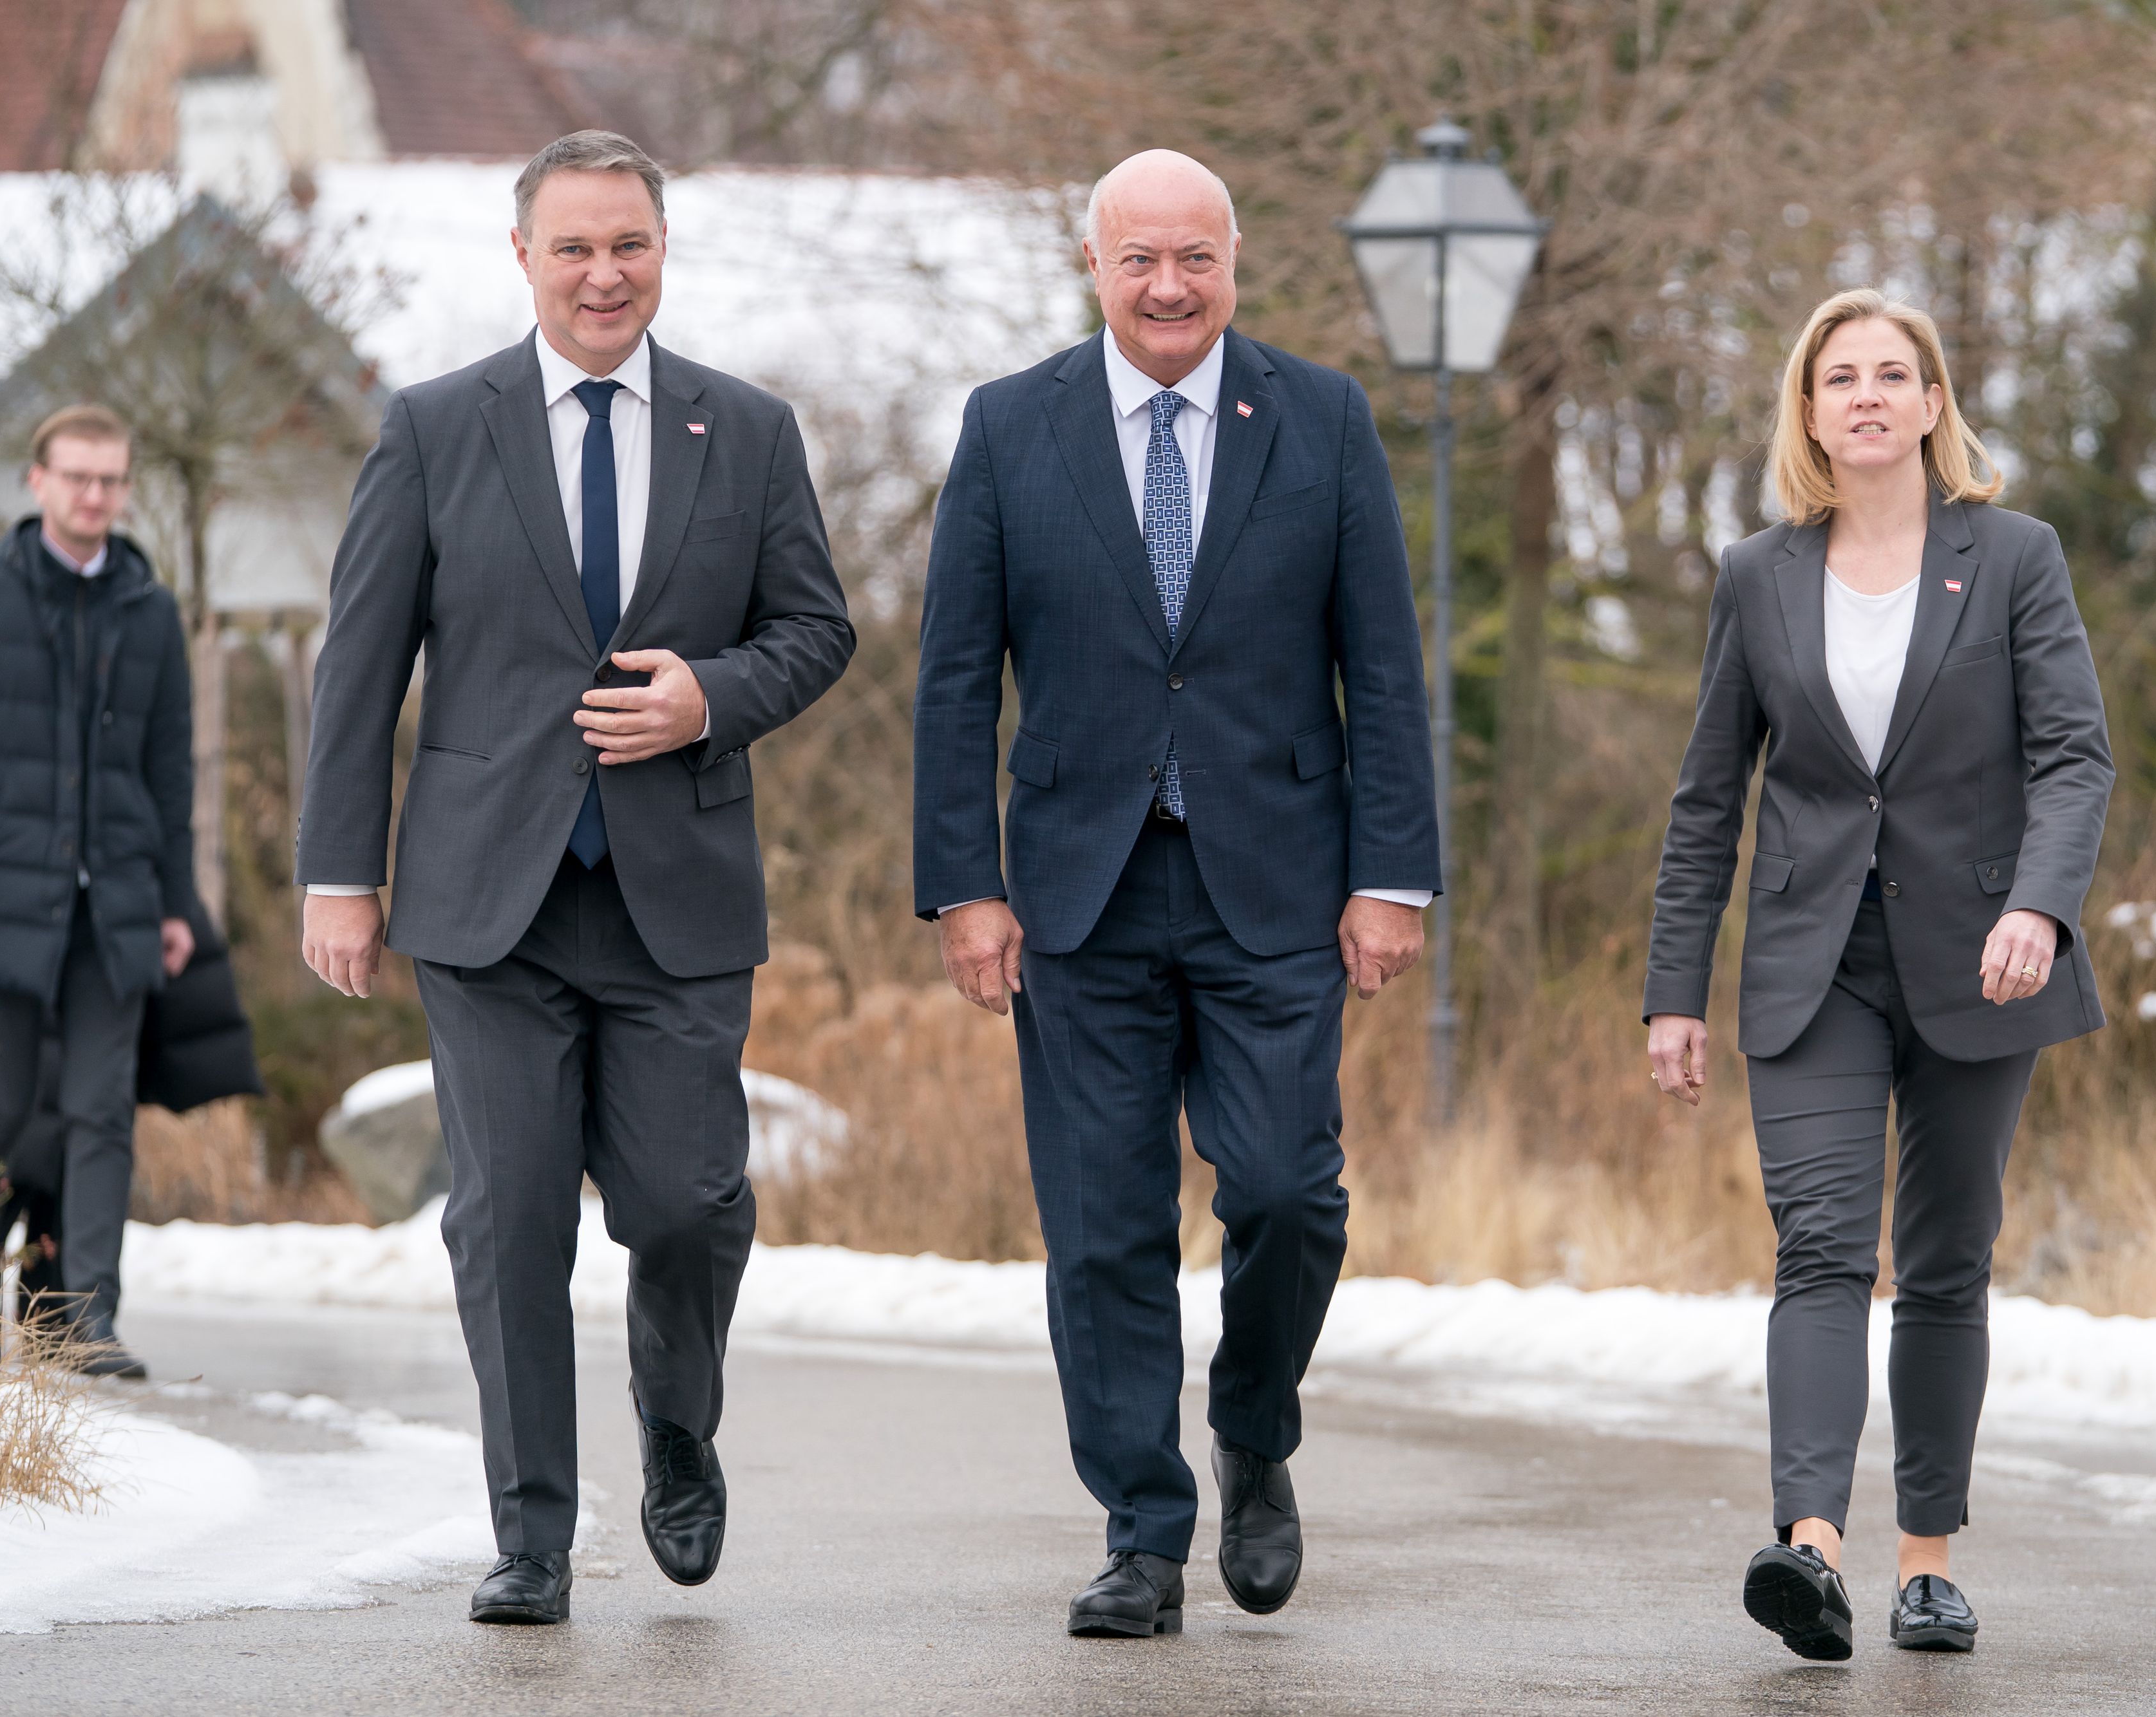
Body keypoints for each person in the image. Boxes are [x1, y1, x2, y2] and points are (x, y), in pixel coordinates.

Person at [296, 130, 854, 1626]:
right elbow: (360, 669)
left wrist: (709, 697)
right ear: (525, 258)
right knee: (512, 1217)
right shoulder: (431, 428)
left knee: (684, 1203)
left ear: (661, 254)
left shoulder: (747, 432)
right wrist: (339, 873)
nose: (603, 273)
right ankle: (531, 1534)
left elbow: (816, 629)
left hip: (678, 898)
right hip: (489, 903)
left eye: (629, 246)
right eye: (574, 247)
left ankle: (678, 1431)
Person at [913, 149, 1438, 1637]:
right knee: (1102, 1226)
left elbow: (1382, 667)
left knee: (1283, 1189)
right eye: (1138, 259)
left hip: (1276, 883)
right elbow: (957, 675)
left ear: (1234, 260)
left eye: (1192, 259)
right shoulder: (1010, 428)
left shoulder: (1322, 418)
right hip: (1074, 893)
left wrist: (1390, 876)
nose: (1166, 287)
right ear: (1093, 264)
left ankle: (1254, 1429)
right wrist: (964, 883)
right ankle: (1142, 1531)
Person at [1642, 288, 2113, 1659]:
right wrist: (1673, 988)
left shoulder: (2013, 557)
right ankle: (1807, 1551)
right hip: (1809, 964)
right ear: (1807, 410)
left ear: (1929, 402)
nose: (1862, 393)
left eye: (1889, 373)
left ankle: (1924, 1562)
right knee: (1820, 1247)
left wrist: (2039, 908)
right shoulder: (1756, 574)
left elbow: (2074, 757)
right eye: (1835, 375)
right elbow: (1702, 799)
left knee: (1948, 1259)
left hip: (1983, 963)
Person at [0, 403, 198, 1380]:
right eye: (78, 476)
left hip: (111, 906)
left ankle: (84, 1322)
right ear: (37, 481)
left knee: (102, 1108)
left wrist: (175, 905)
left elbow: (169, 771)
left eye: (112, 479)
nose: (96, 495)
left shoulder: (150, 611)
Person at [0, 882, 259, 1360]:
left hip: (103, 917)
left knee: (83, 1125)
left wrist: (173, 903)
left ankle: (61, 1309)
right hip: (8, 915)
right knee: (16, 1122)